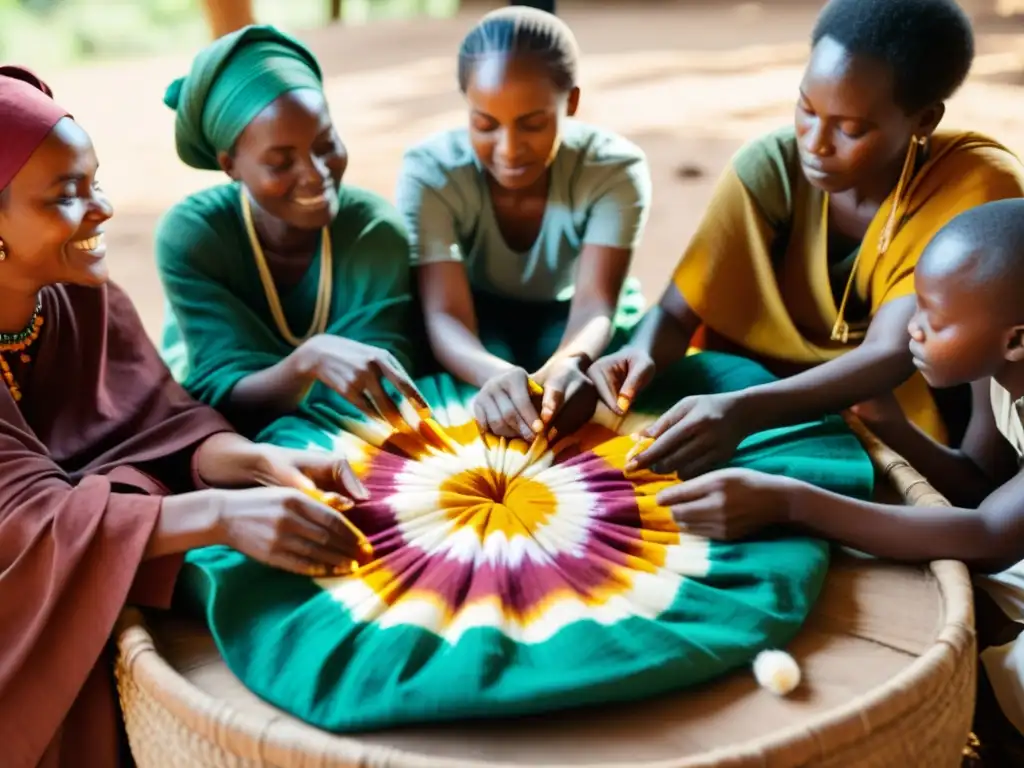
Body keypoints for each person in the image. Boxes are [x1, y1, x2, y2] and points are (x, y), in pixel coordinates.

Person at [0, 67, 369, 766]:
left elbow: (154, 423)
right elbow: (23, 519)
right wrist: (223, 516)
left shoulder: (78, 297)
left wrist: (257, 462)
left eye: (94, 180)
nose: (103, 209)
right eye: (66, 196)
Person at [589, 0, 1024, 480]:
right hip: (745, 406)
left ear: (924, 121)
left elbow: (889, 354)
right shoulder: (771, 169)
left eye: (850, 128)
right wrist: (642, 352)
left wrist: (744, 411)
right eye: (806, 108)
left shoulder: (978, 187)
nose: (815, 142)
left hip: (899, 433)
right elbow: (675, 312)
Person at [650, 197, 1024, 754]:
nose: (911, 332)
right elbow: (975, 485)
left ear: (1016, 338)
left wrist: (793, 503)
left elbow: (989, 537)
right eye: (915, 307)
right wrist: (890, 425)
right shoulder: (999, 367)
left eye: (934, 320)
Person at [156, 26, 427, 449]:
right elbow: (216, 400)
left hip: (336, 443)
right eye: (281, 162)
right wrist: (308, 362)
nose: (317, 174)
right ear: (230, 166)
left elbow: (379, 392)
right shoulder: (196, 238)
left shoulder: (374, 232)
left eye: (326, 144)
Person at [395, 6, 652, 442]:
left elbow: (594, 305)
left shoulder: (614, 169)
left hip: (570, 313)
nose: (509, 149)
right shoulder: (430, 173)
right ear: (466, 105)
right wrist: (494, 373)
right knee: (481, 391)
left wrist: (566, 364)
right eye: (485, 124)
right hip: (475, 312)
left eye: (532, 124)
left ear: (570, 102)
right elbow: (445, 315)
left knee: (585, 392)